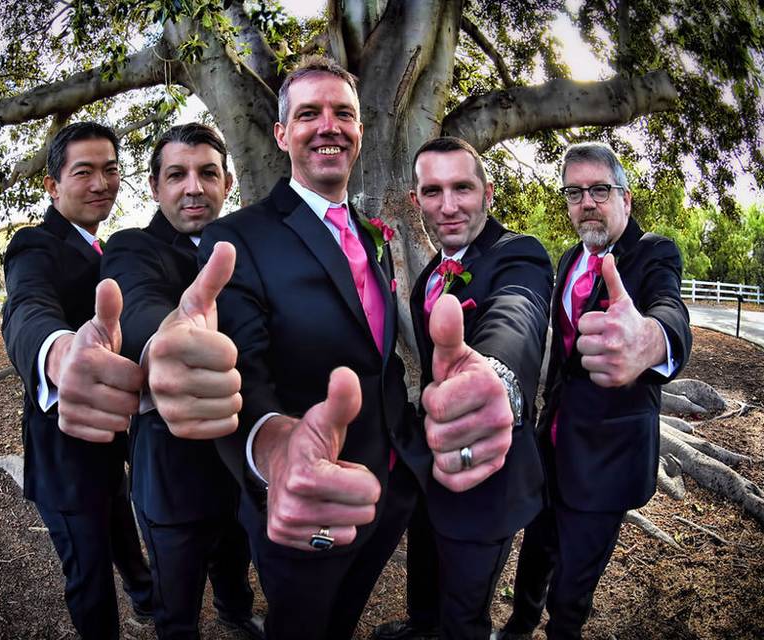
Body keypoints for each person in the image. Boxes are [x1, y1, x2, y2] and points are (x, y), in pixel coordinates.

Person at [146, 56, 516, 640]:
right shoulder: (237, 237)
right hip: (304, 496)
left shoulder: (372, 235)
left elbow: (376, 354)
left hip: (391, 485)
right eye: (309, 113)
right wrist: (272, 450)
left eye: (344, 113)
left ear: (361, 131)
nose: (328, 126)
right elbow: (245, 371)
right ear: (281, 133)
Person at [495, 142, 692, 640]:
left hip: (608, 458)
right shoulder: (567, 259)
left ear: (625, 199)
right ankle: (519, 626)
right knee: (535, 551)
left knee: (574, 584)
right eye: (575, 191)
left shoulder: (653, 253)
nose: (587, 201)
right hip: (551, 446)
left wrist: (653, 340)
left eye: (600, 189)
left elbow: (669, 309)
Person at [373, 137, 553, 640]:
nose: (448, 206)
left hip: (487, 471)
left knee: (465, 611)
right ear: (415, 202)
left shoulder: (520, 254)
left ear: (488, 193)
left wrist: (497, 376)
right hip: (429, 462)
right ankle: (421, 624)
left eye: (462, 188)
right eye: (433, 191)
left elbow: (518, 311)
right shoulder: (428, 274)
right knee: (426, 562)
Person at [101, 123, 263, 640]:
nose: (193, 187)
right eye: (177, 175)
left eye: (207, 173)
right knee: (178, 606)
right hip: (172, 470)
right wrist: (161, 342)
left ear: (228, 181)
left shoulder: (252, 246)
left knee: (236, 567)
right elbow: (140, 300)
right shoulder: (132, 247)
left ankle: (238, 616)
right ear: (154, 186)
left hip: (245, 460)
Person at [1, 121, 153, 639]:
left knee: (123, 534)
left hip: (113, 444)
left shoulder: (107, 247)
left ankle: (147, 599)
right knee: (88, 573)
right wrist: (59, 353)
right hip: (63, 456)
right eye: (83, 172)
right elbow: (27, 309)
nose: (101, 184)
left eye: (111, 170)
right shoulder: (34, 245)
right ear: (52, 185)